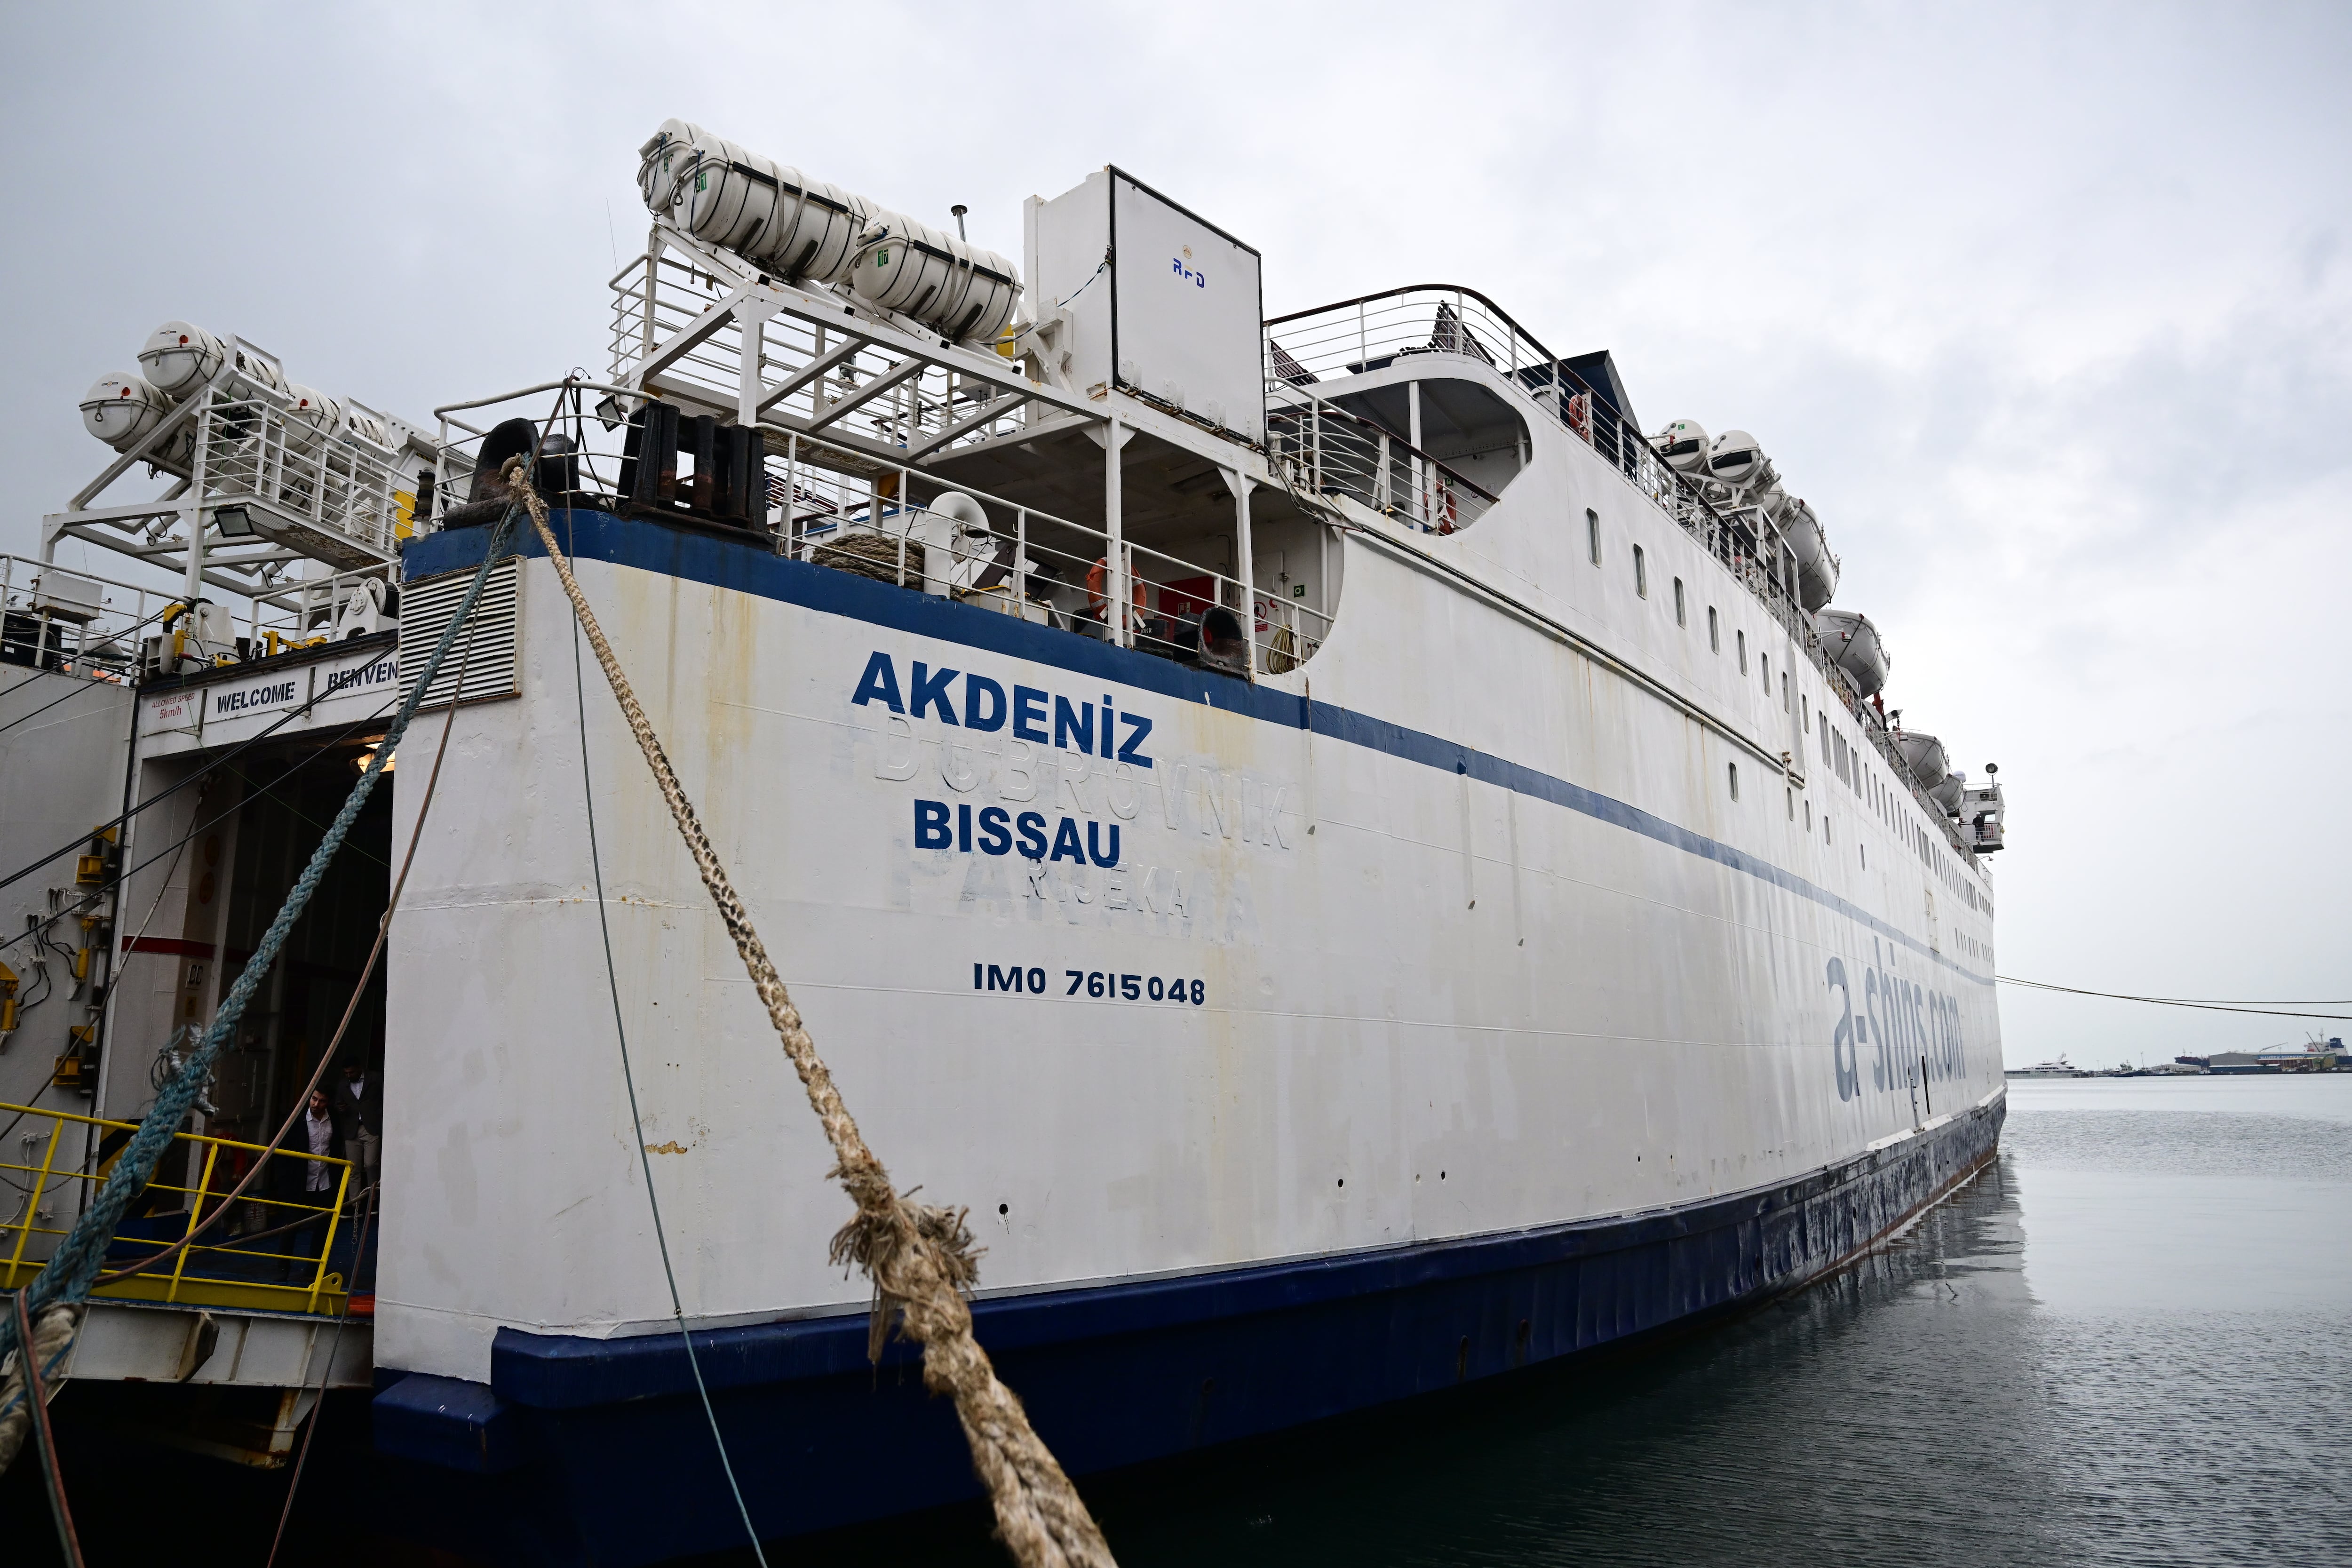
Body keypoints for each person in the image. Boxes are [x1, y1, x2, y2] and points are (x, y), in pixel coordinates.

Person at [335, 1059, 383, 1202]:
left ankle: (373, 1201)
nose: (349, 1075)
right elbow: (337, 1103)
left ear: (360, 1068)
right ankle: (355, 1204)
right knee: (353, 1169)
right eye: (346, 1073)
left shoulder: (375, 1078)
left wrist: (380, 1114)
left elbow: (386, 1097)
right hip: (351, 1129)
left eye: (351, 1072)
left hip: (371, 1127)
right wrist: (340, 1108)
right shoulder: (343, 1084)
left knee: (371, 1165)